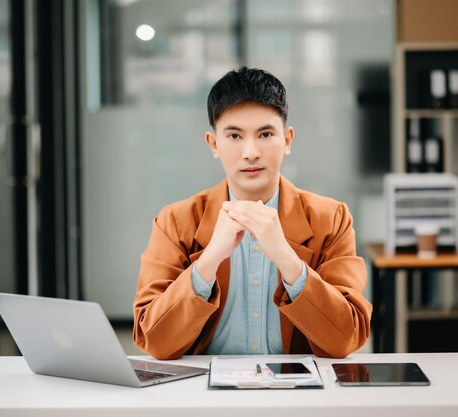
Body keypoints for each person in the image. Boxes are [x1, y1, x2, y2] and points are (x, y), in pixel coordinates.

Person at [133, 67, 371, 360]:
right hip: (202, 396)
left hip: (299, 396)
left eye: (266, 134)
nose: (250, 152)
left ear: (287, 140)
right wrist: (209, 260)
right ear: (213, 144)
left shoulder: (331, 219)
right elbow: (154, 340)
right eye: (234, 135)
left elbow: (346, 338)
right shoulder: (175, 221)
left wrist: (287, 259)